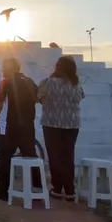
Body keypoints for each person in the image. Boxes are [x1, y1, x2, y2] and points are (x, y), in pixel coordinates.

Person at [0, 58, 40, 201]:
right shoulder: (30, 81)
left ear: (9, 68)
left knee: (5, 160)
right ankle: (37, 190)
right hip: (27, 126)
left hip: (9, 127)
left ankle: (3, 192)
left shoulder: (6, 82)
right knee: (31, 158)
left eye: (4, 67)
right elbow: (37, 99)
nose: (2, 70)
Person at [38, 56, 85, 200]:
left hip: (52, 123)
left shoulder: (47, 82)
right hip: (71, 124)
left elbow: (39, 98)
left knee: (55, 156)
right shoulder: (75, 84)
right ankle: (70, 190)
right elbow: (81, 97)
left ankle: (57, 188)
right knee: (68, 155)